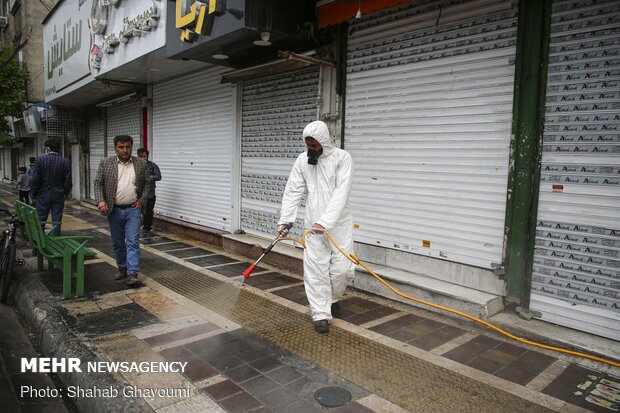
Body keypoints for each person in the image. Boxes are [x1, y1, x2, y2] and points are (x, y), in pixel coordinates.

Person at [277, 120, 355, 334]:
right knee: (315, 270)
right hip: (312, 225)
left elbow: (342, 192)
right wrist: (285, 220)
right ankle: (320, 313)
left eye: (314, 146)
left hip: (339, 224)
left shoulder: (342, 158)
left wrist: (326, 221)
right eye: (308, 145)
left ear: (324, 141)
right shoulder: (302, 161)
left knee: (343, 270)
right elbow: (293, 191)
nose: (311, 149)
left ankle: (332, 298)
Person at [94, 135, 151, 286]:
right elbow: (98, 183)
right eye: (121, 147)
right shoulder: (106, 162)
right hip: (114, 210)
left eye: (128, 147)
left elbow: (147, 183)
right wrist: (100, 200)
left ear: (132, 147)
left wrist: (142, 200)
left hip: (133, 210)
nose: (125, 150)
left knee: (132, 242)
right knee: (118, 242)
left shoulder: (140, 163)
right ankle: (122, 268)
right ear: (115, 148)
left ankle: (133, 273)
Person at [30, 139, 72, 236]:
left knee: (40, 220)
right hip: (58, 195)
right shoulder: (65, 162)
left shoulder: (40, 159)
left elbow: (35, 180)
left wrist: (33, 194)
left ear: (47, 148)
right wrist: (64, 193)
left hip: (42, 194)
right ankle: (56, 241)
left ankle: (37, 247)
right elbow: (68, 181)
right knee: (57, 220)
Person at [136, 148, 161, 233]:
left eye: (144, 156)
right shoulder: (134, 166)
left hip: (150, 194)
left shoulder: (153, 165)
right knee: (137, 211)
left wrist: (149, 177)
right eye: (141, 156)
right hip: (137, 194)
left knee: (148, 211)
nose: (143, 158)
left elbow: (158, 177)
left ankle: (147, 227)